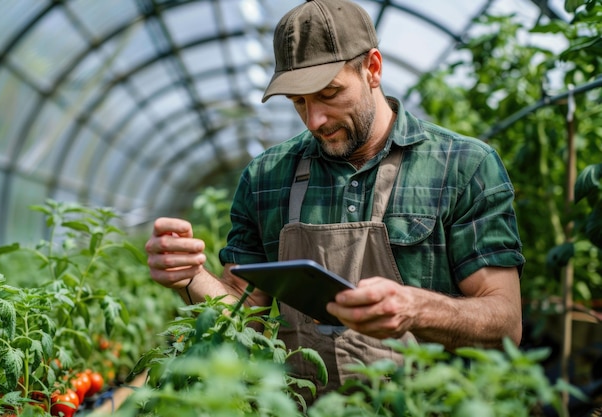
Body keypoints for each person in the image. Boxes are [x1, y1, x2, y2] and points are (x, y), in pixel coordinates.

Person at [145, 0, 525, 402]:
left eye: (329, 93)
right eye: (299, 102)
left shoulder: (462, 165)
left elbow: (505, 322)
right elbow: (245, 316)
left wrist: (416, 308)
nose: (314, 120)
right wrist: (190, 275)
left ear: (373, 69)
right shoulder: (266, 177)